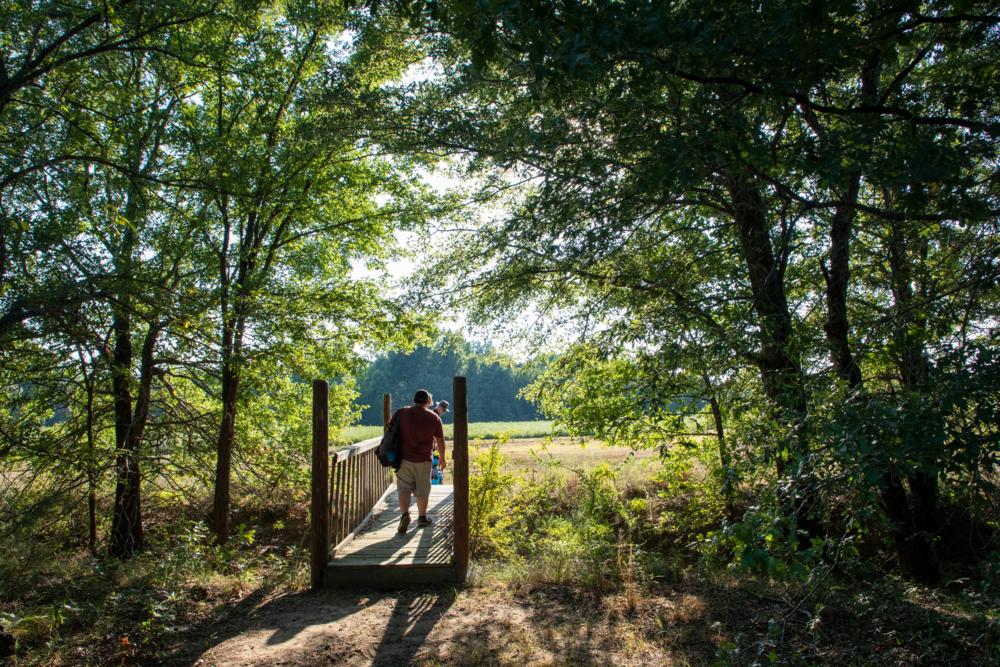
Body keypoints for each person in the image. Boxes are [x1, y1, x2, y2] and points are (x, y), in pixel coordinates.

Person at [393, 389, 446, 534]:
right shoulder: (434, 418)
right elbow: (441, 441)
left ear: (414, 400)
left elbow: (390, 429)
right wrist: (442, 458)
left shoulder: (402, 412)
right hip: (424, 460)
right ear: (428, 401)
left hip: (403, 458)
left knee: (404, 489)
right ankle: (422, 518)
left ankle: (404, 515)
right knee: (422, 491)